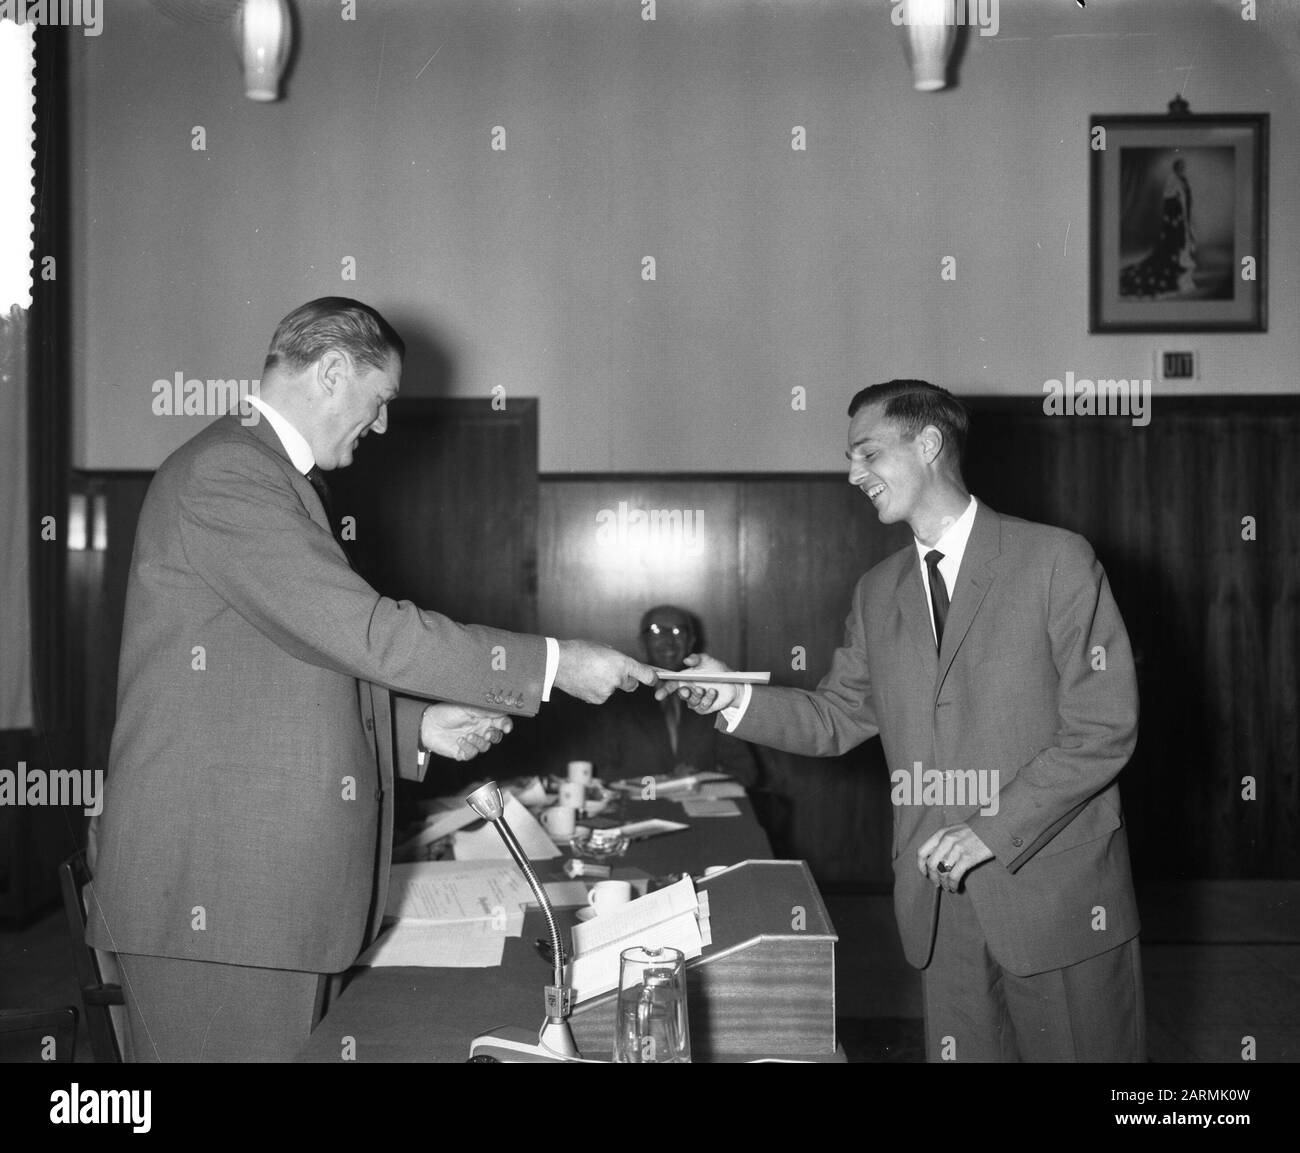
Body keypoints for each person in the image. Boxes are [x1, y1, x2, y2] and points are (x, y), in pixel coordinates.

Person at [85, 297, 655, 1061]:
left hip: (255, 894)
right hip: (217, 890)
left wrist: (413, 726)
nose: (382, 426)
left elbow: (285, 667)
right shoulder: (231, 472)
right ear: (330, 372)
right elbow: (367, 631)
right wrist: (553, 663)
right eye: (380, 399)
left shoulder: (273, 475)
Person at [661, 380, 1144, 1062]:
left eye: (867, 453)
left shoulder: (1056, 560)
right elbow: (836, 715)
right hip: (940, 904)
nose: (853, 473)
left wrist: (989, 830)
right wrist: (732, 696)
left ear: (929, 443)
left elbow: (1103, 727)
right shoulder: (876, 588)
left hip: (1055, 896)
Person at [592, 605, 759, 786]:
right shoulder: (616, 700)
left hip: (702, 809)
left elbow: (746, 771)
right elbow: (599, 773)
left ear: (691, 641)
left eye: (678, 631)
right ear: (642, 642)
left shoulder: (715, 695)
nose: (668, 640)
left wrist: (698, 780)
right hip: (639, 809)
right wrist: (666, 782)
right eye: (656, 631)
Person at [1119, 156, 1197, 299]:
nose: (1182, 169)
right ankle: (1175, 277)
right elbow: (1169, 201)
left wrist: (1186, 219)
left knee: (1184, 245)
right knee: (1173, 247)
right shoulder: (1172, 181)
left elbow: (1187, 200)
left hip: (1183, 219)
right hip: (1174, 219)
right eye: (1179, 167)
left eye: (1183, 167)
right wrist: (1175, 217)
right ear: (1175, 168)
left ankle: (1183, 277)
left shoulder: (1183, 180)